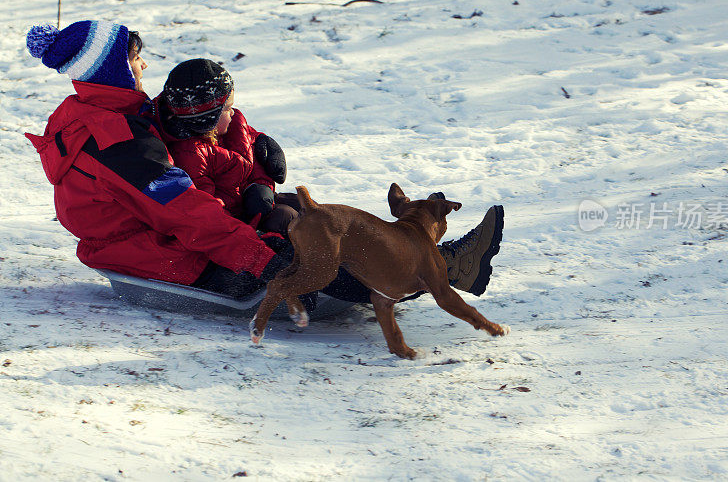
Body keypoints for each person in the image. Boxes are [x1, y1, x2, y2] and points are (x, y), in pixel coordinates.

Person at [25, 20, 504, 310]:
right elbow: (185, 212)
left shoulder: (108, 109)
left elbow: (195, 123)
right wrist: (262, 256)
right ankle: (437, 273)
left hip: (164, 229)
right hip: (150, 250)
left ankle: (423, 256)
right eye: (135, 59)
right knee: (300, 253)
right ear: (111, 69)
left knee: (311, 215)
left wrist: (252, 142)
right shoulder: (116, 141)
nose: (144, 68)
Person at [154, 58, 300, 236]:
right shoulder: (190, 155)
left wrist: (260, 186)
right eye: (227, 108)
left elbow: (251, 152)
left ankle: (338, 249)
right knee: (288, 219)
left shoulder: (231, 125)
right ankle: (314, 260)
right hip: (237, 222)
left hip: (253, 201)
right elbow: (209, 211)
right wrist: (252, 229)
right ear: (208, 117)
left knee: (306, 206)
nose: (233, 112)